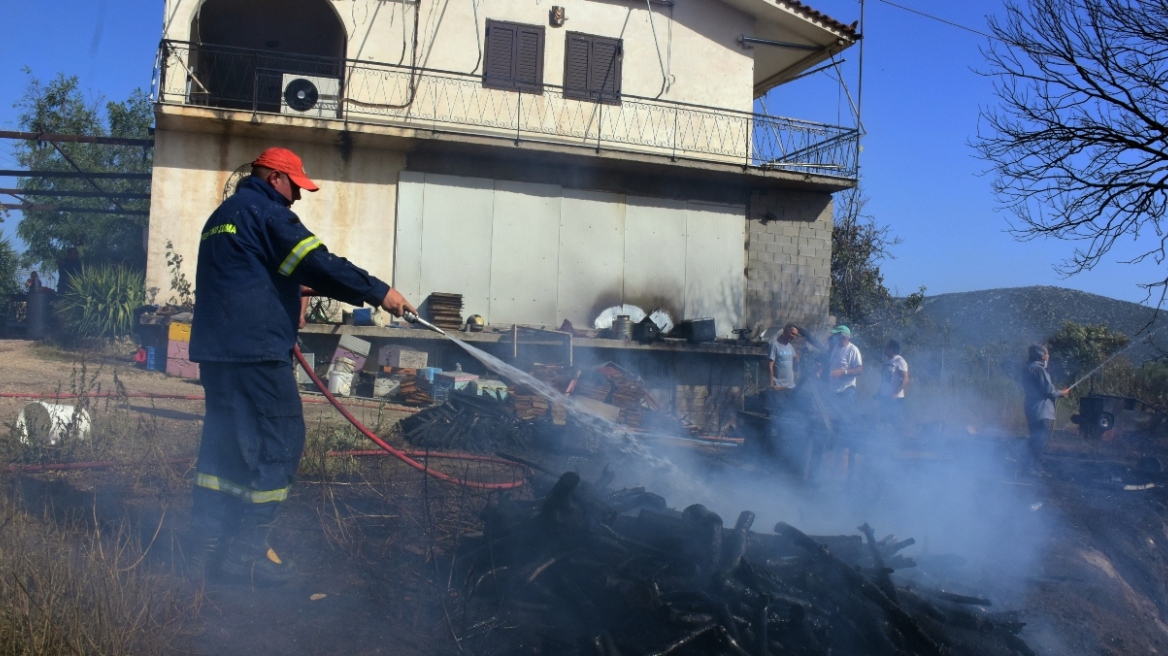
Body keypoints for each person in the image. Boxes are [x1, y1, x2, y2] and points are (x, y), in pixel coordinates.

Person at [188, 147, 416, 585]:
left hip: (218, 352)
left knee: (225, 444)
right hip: (256, 351)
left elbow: (248, 272)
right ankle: (248, 552)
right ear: (274, 176)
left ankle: (209, 543)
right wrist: (379, 291)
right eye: (295, 186)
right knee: (283, 438)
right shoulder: (267, 212)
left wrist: (292, 287)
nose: (298, 197)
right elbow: (317, 260)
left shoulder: (222, 216)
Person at [1021, 344, 1068, 473]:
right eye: (1047, 354)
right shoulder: (1039, 369)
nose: (1048, 356)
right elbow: (1048, 390)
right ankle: (1031, 467)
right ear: (1042, 356)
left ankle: (1031, 466)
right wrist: (1061, 393)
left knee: (1036, 437)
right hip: (1040, 409)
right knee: (1039, 439)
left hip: (1031, 407)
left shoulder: (1028, 368)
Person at [826, 325, 863, 405]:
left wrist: (843, 372)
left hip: (846, 391)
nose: (834, 337)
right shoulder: (836, 347)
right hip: (833, 389)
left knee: (844, 416)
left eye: (836, 335)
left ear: (843, 337)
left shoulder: (853, 349)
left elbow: (859, 370)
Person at [878, 339, 909, 430]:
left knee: (895, 422)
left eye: (886, 348)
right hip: (884, 396)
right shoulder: (887, 362)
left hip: (895, 398)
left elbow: (905, 379)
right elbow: (885, 380)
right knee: (885, 422)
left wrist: (895, 394)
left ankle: (900, 439)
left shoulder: (900, 361)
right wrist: (879, 391)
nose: (884, 350)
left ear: (891, 349)